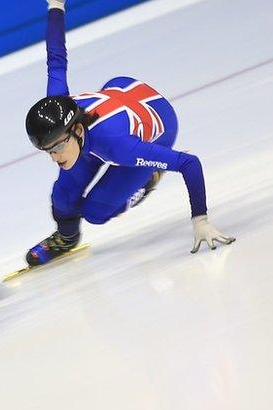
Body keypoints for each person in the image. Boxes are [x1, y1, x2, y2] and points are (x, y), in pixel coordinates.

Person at [24, 0, 235, 266]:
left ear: (76, 129)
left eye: (56, 148)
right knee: (63, 197)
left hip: (158, 126)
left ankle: (150, 176)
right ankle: (66, 239)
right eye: (47, 150)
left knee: (95, 212)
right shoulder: (58, 106)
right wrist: (56, 6)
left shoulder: (122, 148)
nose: (53, 157)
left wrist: (200, 219)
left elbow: (188, 163)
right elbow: (55, 58)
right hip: (121, 92)